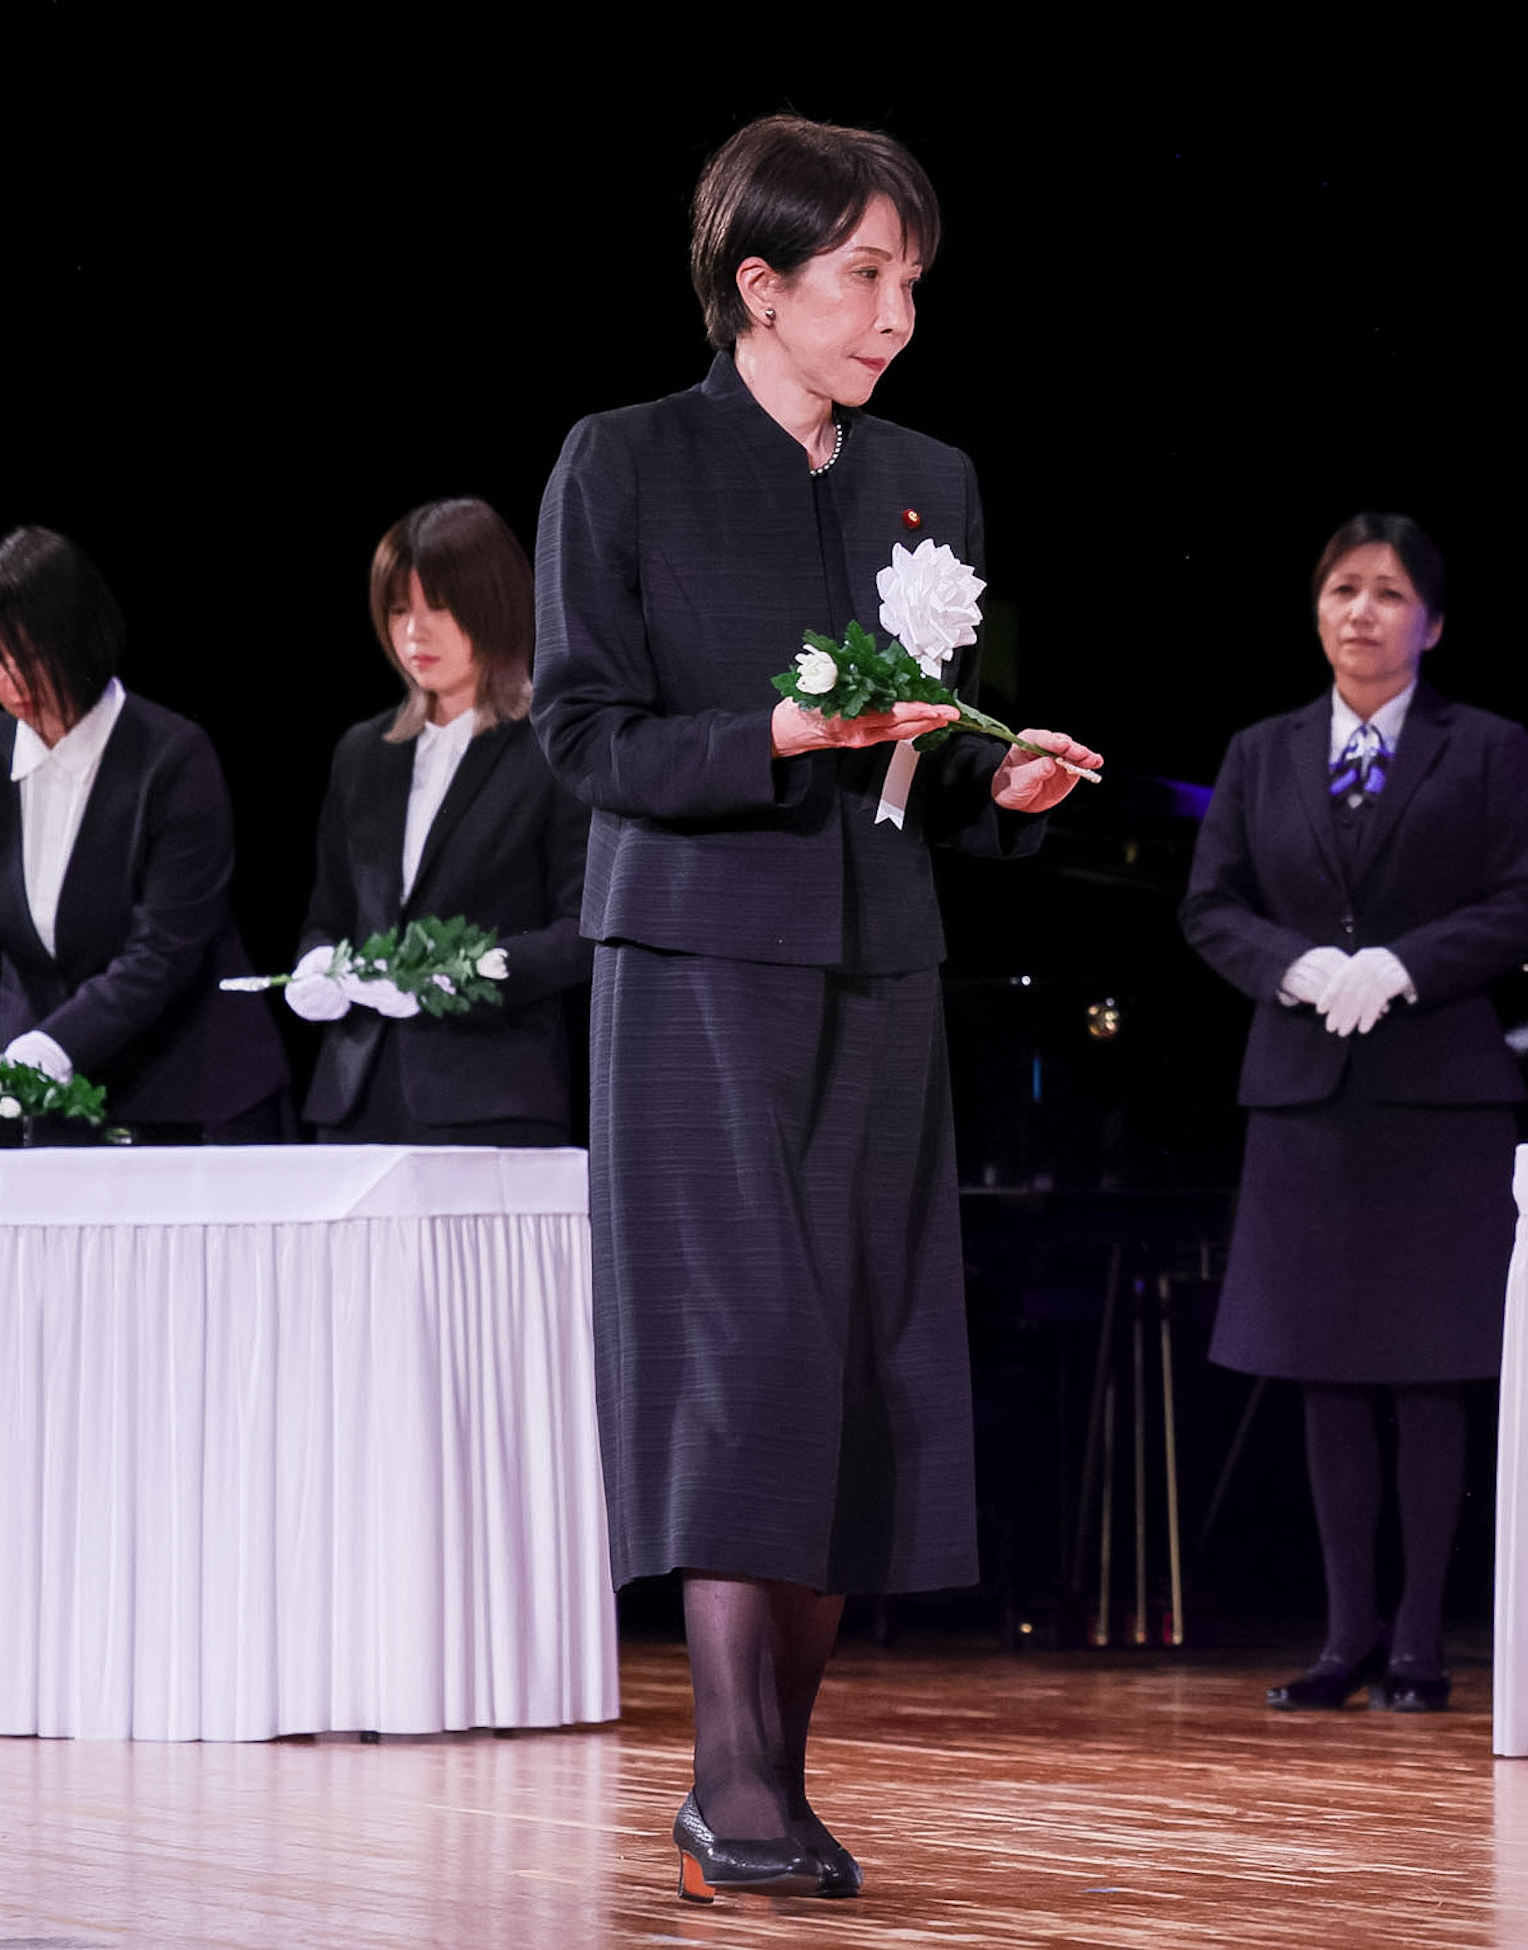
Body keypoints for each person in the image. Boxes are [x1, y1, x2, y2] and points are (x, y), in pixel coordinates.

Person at [531, 115, 1100, 1902]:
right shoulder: (619, 464)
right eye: (864, 275)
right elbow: (583, 736)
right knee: (742, 1356)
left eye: (913, 280)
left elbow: (938, 739)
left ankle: (773, 1776)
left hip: (878, 958)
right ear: (756, 286)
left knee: (857, 1354)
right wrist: (772, 738)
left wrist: (1002, 791)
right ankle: (726, 1777)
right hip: (695, 961)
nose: (897, 313)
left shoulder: (931, 475)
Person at [1181, 512, 1528, 1714]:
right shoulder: (1260, 751)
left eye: (1388, 593)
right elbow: (1211, 904)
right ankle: (1341, 1638)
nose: (1360, 611)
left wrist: (1401, 966)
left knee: (1426, 1373)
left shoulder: (1486, 747)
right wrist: (1295, 968)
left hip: (1436, 1092)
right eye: (1342, 589)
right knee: (1324, 1373)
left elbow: (1526, 899)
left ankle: (1417, 1642)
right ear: (1315, 612)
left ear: (1430, 625)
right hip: (1302, 1092)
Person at [0, 525, 291, 1139]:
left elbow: (164, 949)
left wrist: (52, 1046)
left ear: (82, 639)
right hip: (45, 1108)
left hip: (187, 1096)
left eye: (29, 657)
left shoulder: (172, 758)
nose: (13, 684)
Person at [291, 499, 588, 1145]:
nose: (415, 634)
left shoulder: (549, 748)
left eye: (440, 606)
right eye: (399, 609)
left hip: (490, 1096)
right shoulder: (363, 752)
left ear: (497, 604)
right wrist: (317, 964)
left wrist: (474, 972)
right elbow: (331, 914)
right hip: (355, 1098)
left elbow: (582, 929)